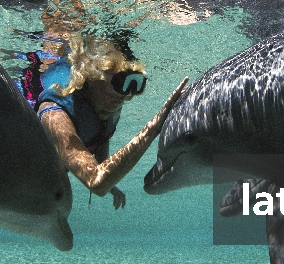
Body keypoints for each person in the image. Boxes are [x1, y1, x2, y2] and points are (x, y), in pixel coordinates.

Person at [30, 33, 187, 209]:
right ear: (91, 77)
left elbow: (101, 142)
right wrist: (154, 127)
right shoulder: (54, 113)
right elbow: (96, 181)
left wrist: (110, 184)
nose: (125, 94)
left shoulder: (107, 106)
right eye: (119, 83)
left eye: (133, 85)